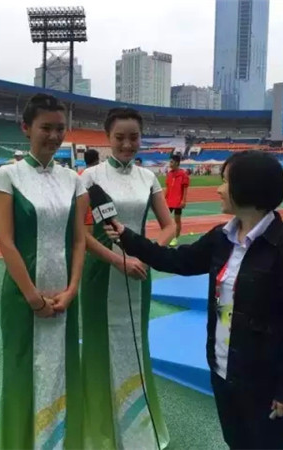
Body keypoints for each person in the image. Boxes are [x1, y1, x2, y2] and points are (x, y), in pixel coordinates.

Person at [103, 151, 283, 450]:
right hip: (222, 369)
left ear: (247, 188)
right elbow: (178, 260)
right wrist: (127, 237)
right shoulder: (222, 237)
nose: (219, 189)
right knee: (236, 441)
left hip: (262, 379)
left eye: (226, 182)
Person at [0, 93, 88, 449]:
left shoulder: (73, 180)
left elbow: (79, 240)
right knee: (22, 372)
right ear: (26, 128)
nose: (54, 136)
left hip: (65, 297)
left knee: (62, 369)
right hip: (22, 297)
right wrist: (33, 299)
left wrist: (72, 289)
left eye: (60, 128)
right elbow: (6, 242)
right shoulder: (7, 176)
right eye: (46, 127)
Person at [80, 107, 175, 449]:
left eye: (133, 137)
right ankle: (100, 432)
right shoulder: (89, 177)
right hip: (100, 274)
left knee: (136, 344)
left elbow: (169, 225)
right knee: (98, 346)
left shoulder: (148, 177)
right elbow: (80, 233)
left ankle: (138, 429)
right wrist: (117, 260)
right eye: (119, 137)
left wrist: (146, 253)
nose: (127, 144)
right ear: (107, 138)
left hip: (139, 273)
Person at [165, 153, 190, 246]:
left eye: (171, 162)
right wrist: (164, 198)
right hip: (169, 201)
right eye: (170, 162)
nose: (170, 164)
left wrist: (183, 200)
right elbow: (168, 188)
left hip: (178, 201)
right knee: (165, 220)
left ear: (176, 163)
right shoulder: (169, 174)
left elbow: (185, 188)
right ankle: (168, 236)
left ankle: (175, 238)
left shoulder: (183, 174)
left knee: (177, 220)